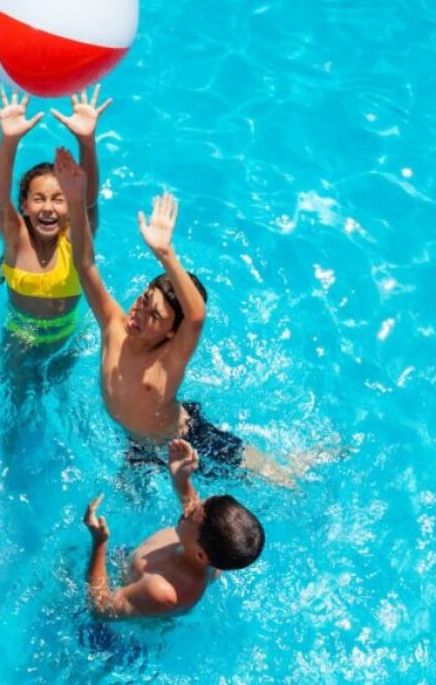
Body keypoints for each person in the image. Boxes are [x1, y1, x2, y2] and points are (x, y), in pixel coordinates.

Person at [53, 148, 292, 482]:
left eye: (154, 316)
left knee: (271, 477)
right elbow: (84, 264)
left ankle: (301, 463)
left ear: (169, 334)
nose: (137, 313)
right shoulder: (113, 327)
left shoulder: (168, 360)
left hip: (185, 440)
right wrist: (75, 201)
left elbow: (195, 317)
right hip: (135, 443)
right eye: (143, 299)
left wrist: (166, 253)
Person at [0, 85, 111, 350]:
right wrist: (8, 141)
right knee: (16, 392)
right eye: (38, 199)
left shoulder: (73, 241)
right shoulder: (16, 240)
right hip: (18, 337)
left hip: (67, 339)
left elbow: (88, 203)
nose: (48, 208)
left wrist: (86, 142)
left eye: (59, 199)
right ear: (25, 207)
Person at [82, 439, 264, 618]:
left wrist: (99, 543)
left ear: (200, 555)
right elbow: (195, 512)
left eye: (191, 516)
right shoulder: (212, 550)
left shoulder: (162, 591)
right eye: (200, 503)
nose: (189, 508)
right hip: (128, 566)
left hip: (114, 628)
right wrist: (181, 479)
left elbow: (100, 607)